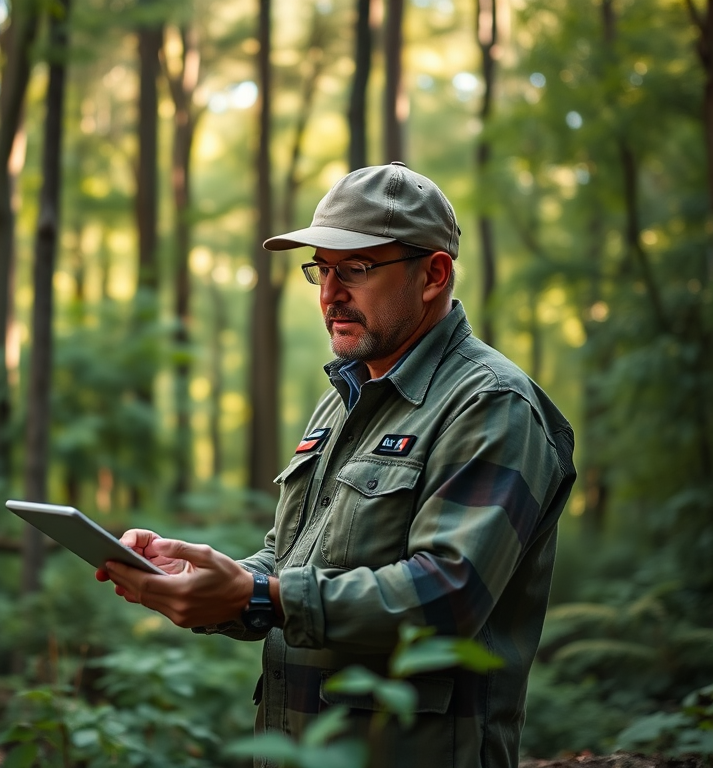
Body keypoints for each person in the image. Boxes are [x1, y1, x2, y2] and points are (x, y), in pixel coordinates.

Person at [96, 162, 576, 768]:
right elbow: (289, 561)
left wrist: (264, 595)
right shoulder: (343, 399)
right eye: (321, 270)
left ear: (434, 275)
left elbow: (449, 593)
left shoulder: (490, 404)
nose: (330, 294)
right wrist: (203, 577)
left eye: (356, 269)